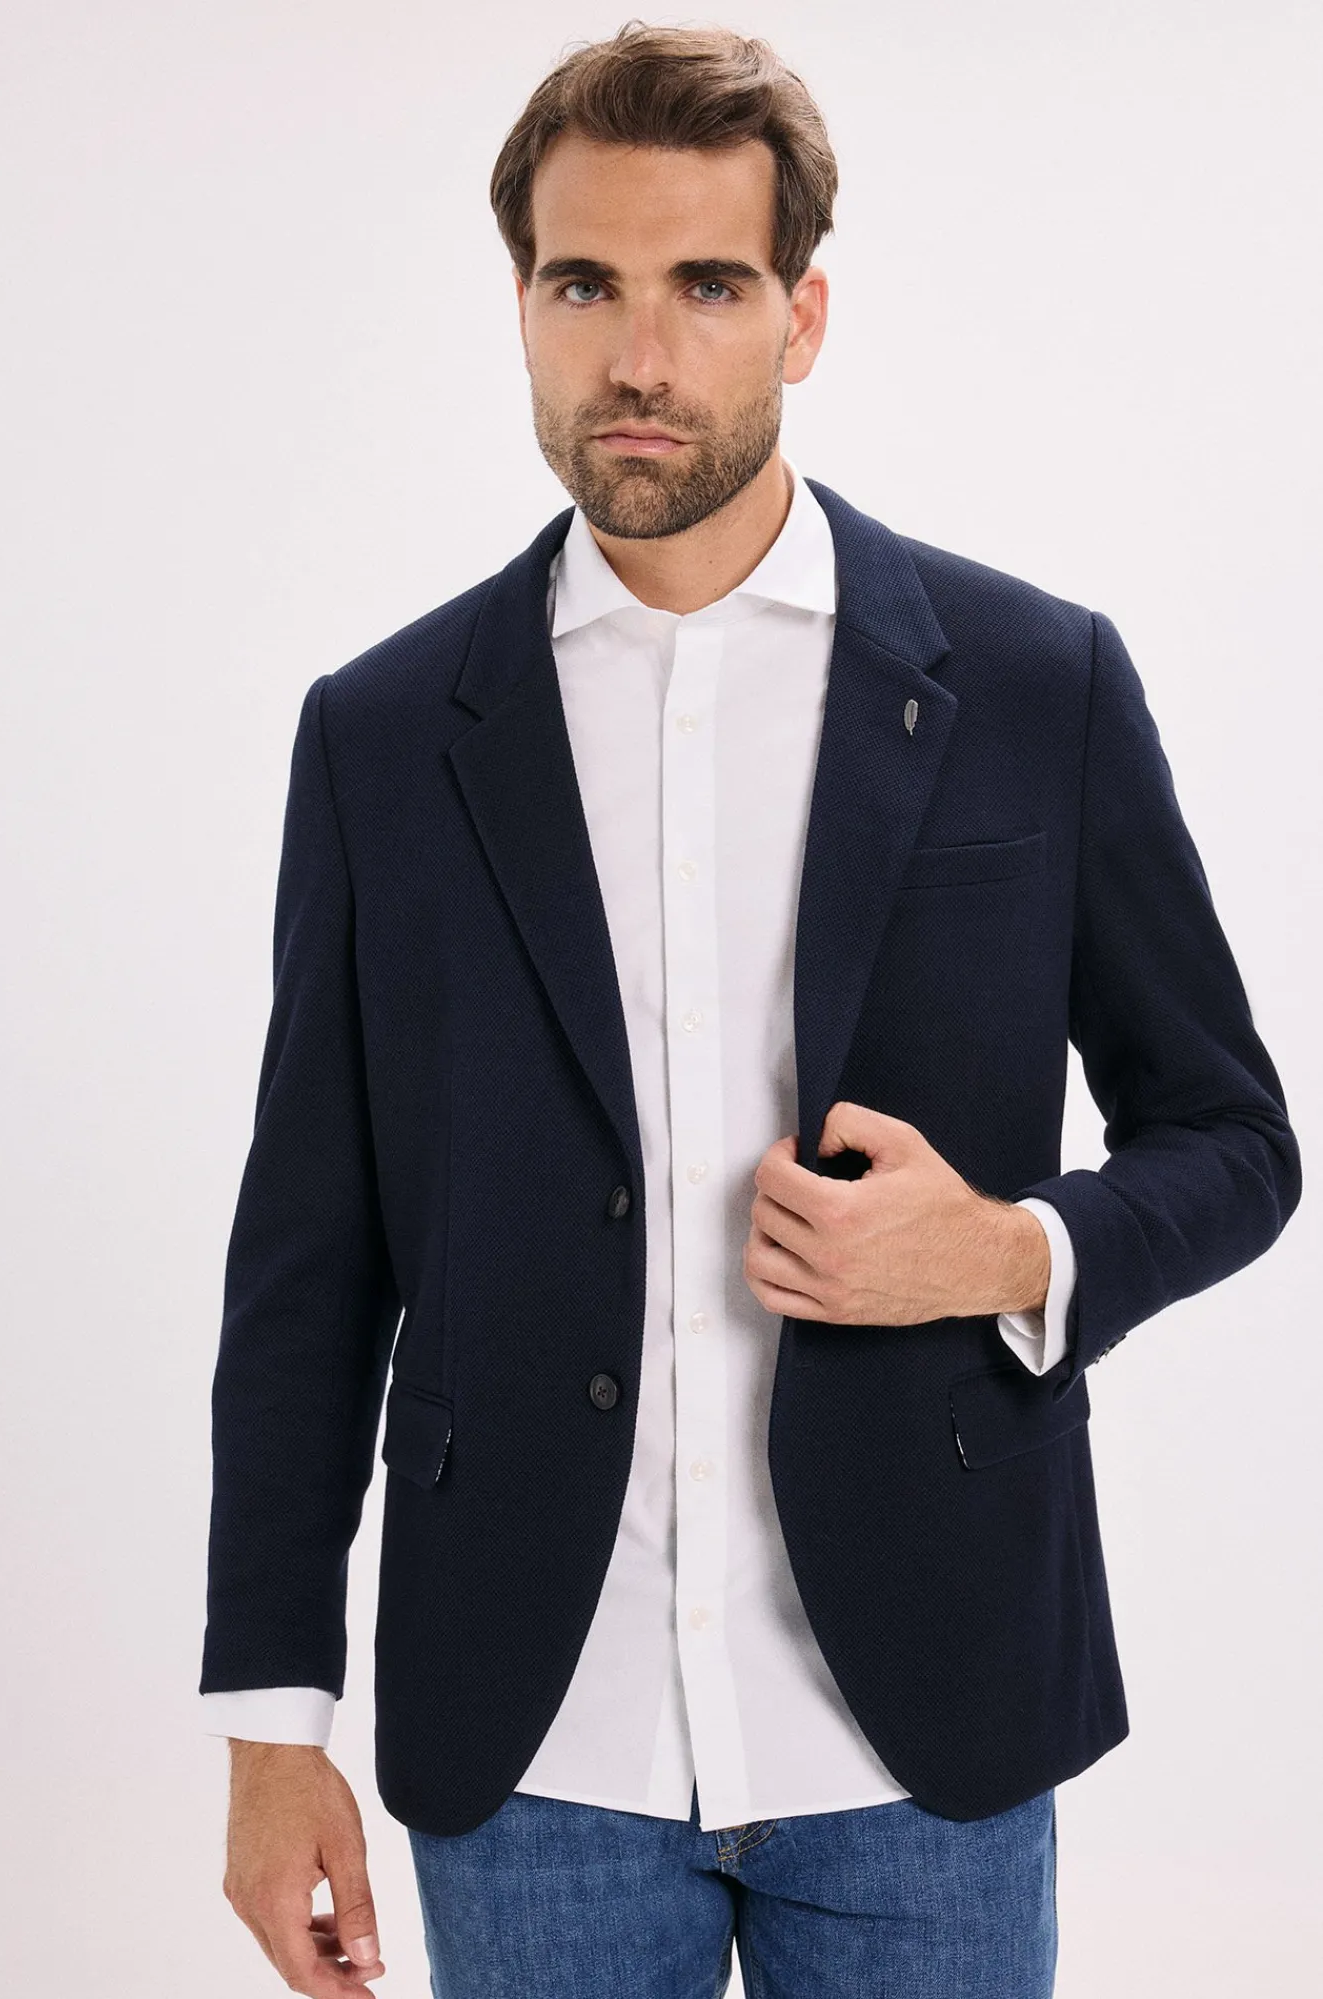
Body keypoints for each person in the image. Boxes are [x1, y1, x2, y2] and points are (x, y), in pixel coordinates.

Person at [198, 21, 1301, 1999]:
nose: (640, 356)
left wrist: (1007, 1251)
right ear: (521, 308)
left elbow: (1234, 1140)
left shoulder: (1034, 684)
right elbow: (309, 1254)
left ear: (802, 315)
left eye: (706, 285)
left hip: (921, 1734)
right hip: (537, 1744)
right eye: (584, 286)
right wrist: (274, 1730)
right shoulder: (382, 736)